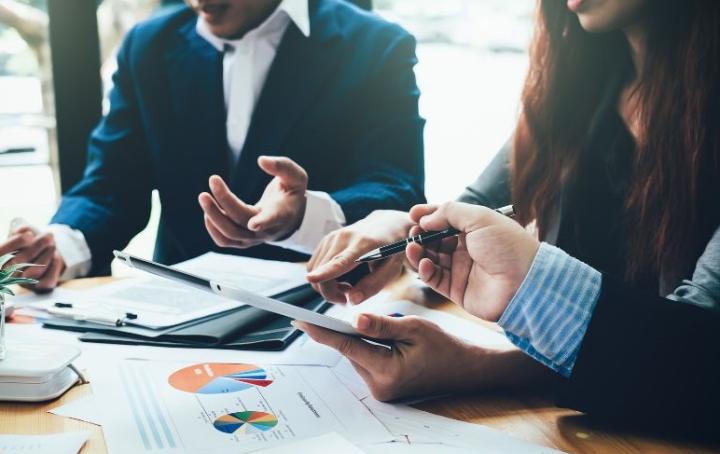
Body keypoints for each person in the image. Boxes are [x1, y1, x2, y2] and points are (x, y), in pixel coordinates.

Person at [298, 0, 720, 438]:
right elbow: (473, 209)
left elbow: (694, 357)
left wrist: (482, 363)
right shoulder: (578, 87)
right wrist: (399, 230)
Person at [1, 0, 425, 291]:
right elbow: (110, 186)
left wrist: (303, 216)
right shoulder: (147, 46)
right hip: (174, 317)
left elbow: (397, 188)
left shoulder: (377, 47)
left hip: (324, 310)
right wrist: (60, 245)